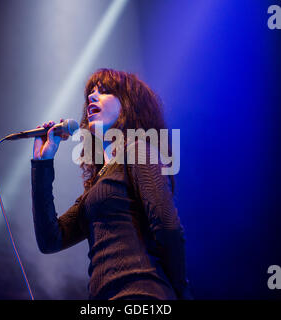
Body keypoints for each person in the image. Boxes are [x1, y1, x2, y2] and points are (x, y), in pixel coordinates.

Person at [31, 68, 191, 300]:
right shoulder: (97, 186)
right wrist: (42, 164)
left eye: (104, 91)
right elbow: (50, 240)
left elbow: (167, 226)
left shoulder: (139, 151)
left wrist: (181, 290)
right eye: (90, 92)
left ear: (128, 104)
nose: (91, 97)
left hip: (142, 294)